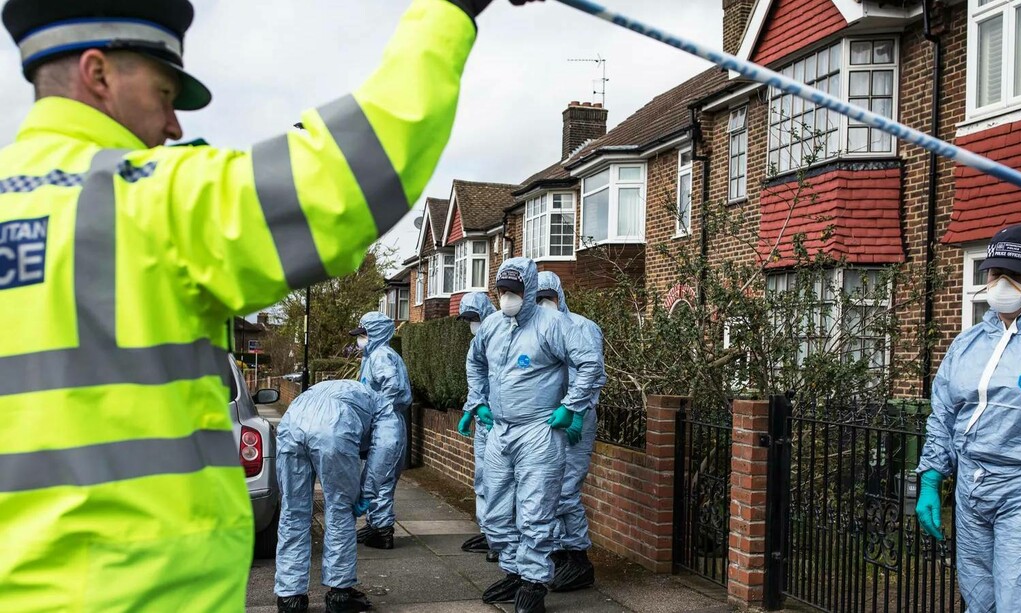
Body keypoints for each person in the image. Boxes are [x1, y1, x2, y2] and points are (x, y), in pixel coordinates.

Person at [0, 0, 537, 608]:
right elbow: (340, 182)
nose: (174, 125)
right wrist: (450, 12)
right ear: (98, 74)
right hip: (137, 592)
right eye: (165, 93)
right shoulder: (148, 201)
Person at [916, 224, 1021, 612]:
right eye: (997, 274)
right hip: (972, 493)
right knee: (980, 601)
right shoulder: (969, 342)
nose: (1004, 283)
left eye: (1017, 275)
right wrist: (931, 477)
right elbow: (944, 413)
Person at [466, 258, 604, 613]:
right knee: (495, 511)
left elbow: (589, 364)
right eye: (502, 290)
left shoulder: (554, 324)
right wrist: (477, 401)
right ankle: (513, 569)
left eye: (514, 290)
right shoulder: (494, 326)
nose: (507, 297)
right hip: (501, 428)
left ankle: (533, 581)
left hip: (539, 430)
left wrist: (572, 406)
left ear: (527, 291)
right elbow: (475, 361)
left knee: (535, 511)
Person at [275, 380, 379, 613]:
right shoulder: (383, 407)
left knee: (293, 511)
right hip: (334, 426)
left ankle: (290, 598)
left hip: (292, 420)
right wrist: (367, 492)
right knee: (340, 509)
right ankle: (340, 594)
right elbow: (386, 449)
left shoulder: (339, 388)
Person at [536, 271, 606, 592]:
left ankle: (578, 559)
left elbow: (592, 373)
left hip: (576, 418)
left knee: (565, 490)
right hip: (550, 420)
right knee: (548, 489)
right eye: (537, 299)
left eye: (547, 297)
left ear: (559, 295)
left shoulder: (582, 327)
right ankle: (562, 553)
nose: (542, 304)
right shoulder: (535, 328)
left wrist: (577, 412)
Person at [353, 311, 412, 549]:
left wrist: (377, 411)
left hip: (386, 426)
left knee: (381, 479)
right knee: (375, 477)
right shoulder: (373, 357)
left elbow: (393, 387)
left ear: (376, 333)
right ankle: (376, 524)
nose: (360, 339)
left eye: (363, 334)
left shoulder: (381, 356)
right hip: (382, 424)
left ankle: (383, 531)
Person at [456, 291, 499, 560]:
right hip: (485, 422)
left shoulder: (503, 336)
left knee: (502, 482)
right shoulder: (477, 345)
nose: (472, 323)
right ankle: (489, 530)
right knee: (482, 479)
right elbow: (476, 381)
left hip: (505, 423)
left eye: (475, 317)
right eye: (468, 319)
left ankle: (503, 535)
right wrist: (471, 410)